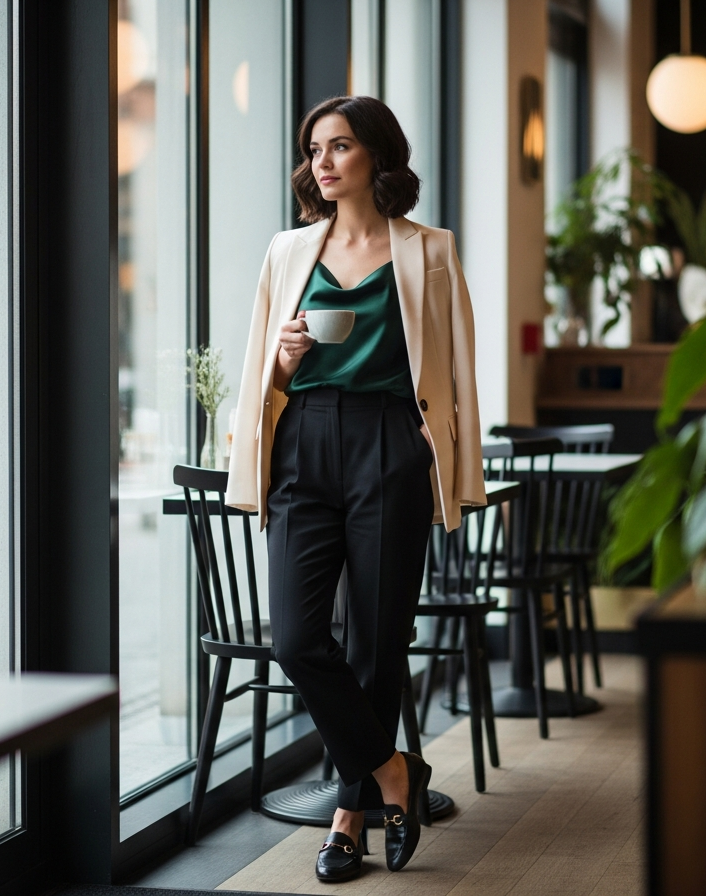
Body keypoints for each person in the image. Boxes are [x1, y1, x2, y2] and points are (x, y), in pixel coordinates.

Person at [226, 95, 486, 882]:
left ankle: (348, 817)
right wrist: (284, 361)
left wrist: (445, 461)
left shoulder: (430, 250)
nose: (324, 162)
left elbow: (460, 373)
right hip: (305, 437)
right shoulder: (287, 249)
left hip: (389, 444)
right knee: (299, 639)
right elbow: (257, 369)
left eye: (340, 146)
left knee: (378, 640)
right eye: (314, 149)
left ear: (378, 155)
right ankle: (395, 774)